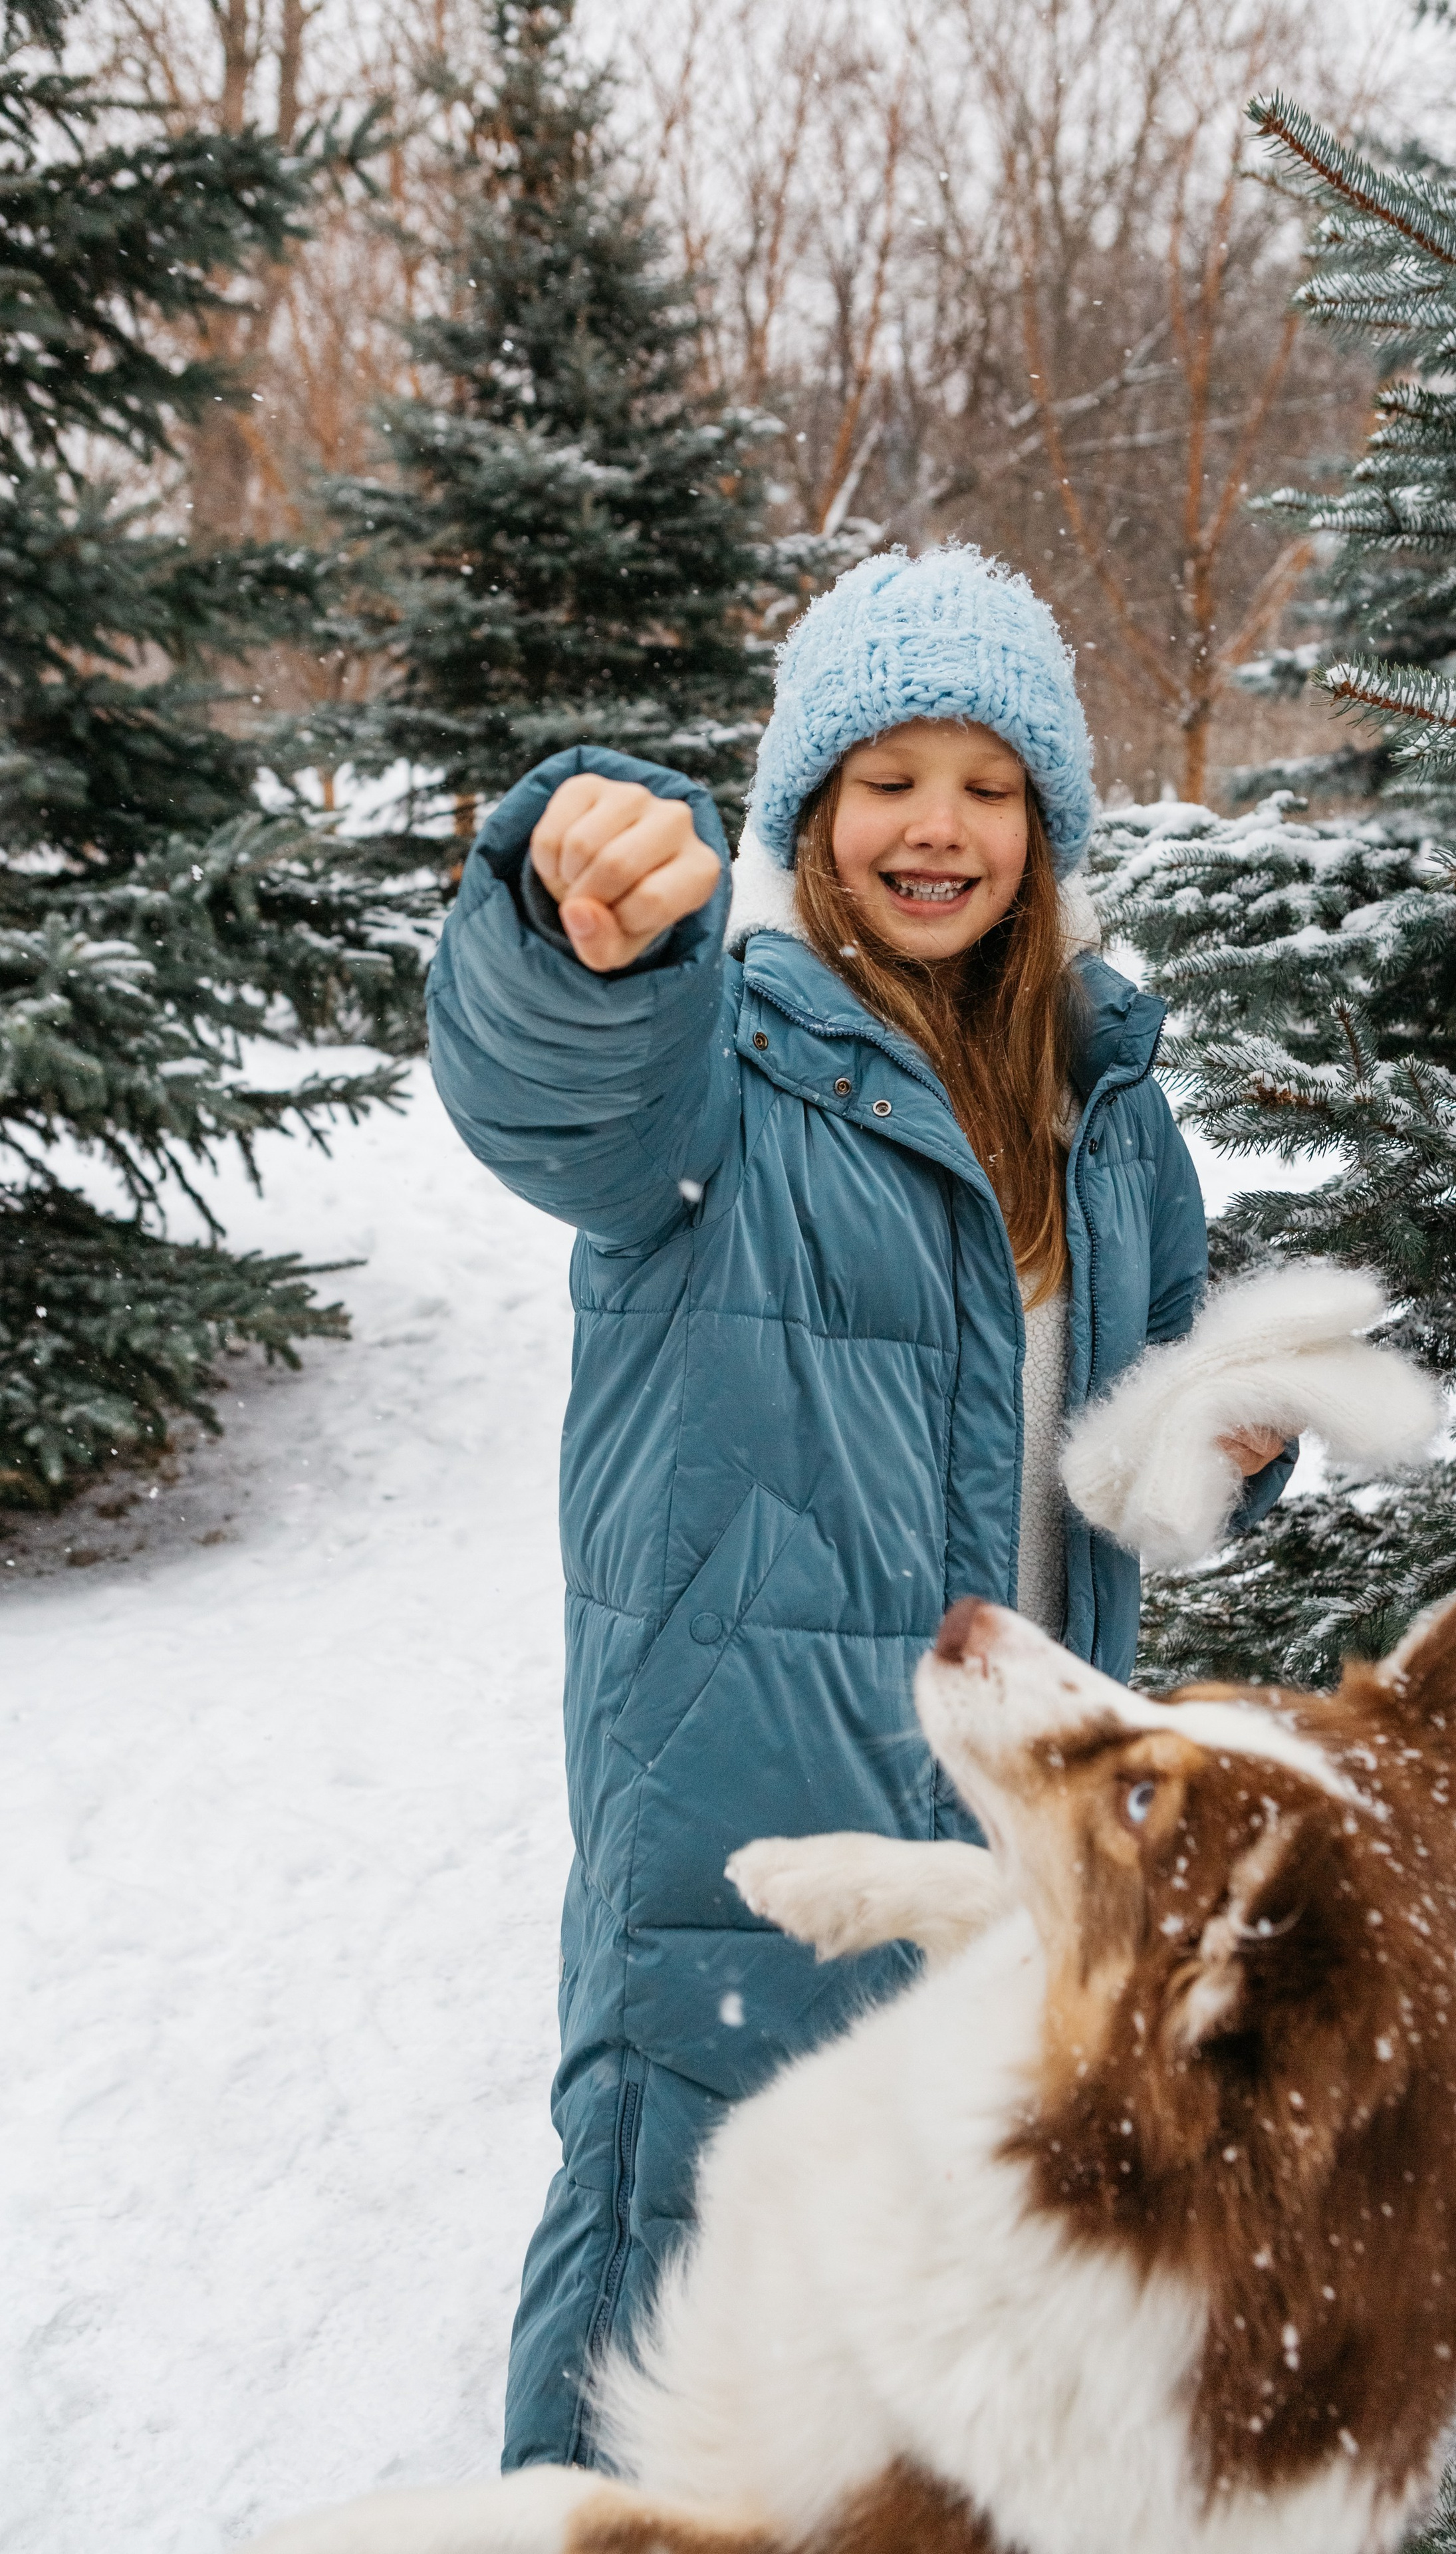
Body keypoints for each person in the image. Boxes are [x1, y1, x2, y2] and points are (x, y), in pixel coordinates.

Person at [427, 546, 1295, 2474]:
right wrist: (577, 937)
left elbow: (1151, 1408)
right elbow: (555, 1091)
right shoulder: (718, 1062)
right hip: (746, 1799)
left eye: (990, 785)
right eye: (888, 777)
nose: (938, 827)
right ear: (813, 806)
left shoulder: (1107, 1101)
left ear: (1045, 828)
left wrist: (1229, 1445)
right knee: (684, 2280)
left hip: (1030, 1801)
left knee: (945, 2302)